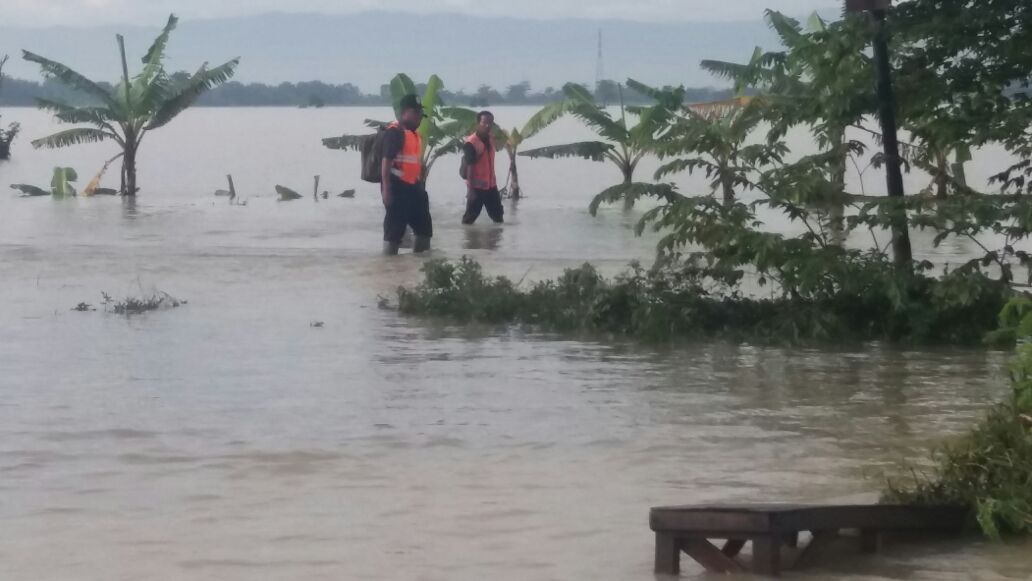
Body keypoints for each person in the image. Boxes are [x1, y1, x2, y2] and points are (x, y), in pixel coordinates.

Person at [382, 94, 432, 255]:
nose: (419, 119)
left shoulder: (415, 135)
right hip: (397, 187)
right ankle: (389, 266)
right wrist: (387, 190)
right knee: (394, 232)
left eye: (420, 115)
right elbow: (386, 162)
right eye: (416, 114)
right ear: (405, 112)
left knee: (424, 229)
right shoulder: (394, 132)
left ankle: (420, 265)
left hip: (414, 187)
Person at [461, 111, 504, 225]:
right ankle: (468, 241)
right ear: (478, 123)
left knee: (498, 216)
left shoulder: (491, 139)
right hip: (476, 188)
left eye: (490, 123)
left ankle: (495, 241)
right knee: (469, 219)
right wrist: (470, 191)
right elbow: (470, 166)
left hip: (491, 186)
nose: (487, 125)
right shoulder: (471, 142)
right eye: (484, 123)